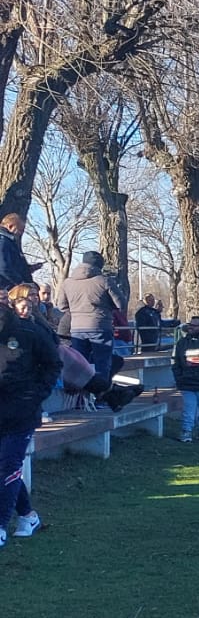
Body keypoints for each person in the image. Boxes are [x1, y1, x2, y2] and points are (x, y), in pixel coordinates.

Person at [1, 286, 61, 548]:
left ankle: (1, 526)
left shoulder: (29, 331)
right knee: (5, 468)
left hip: (21, 411)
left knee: (8, 467)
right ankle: (28, 516)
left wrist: (36, 394)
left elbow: (53, 363)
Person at [56, 250, 122, 394]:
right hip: (100, 325)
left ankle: (79, 398)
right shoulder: (104, 280)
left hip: (77, 328)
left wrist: (76, 310)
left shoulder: (67, 282)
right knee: (102, 364)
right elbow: (120, 304)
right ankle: (100, 395)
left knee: (80, 364)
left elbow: (61, 305)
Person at [0, 210, 40, 291]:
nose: (21, 233)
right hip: (8, 287)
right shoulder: (3, 241)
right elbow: (4, 267)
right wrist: (21, 283)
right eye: (20, 230)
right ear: (10, 226)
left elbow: (14, 264)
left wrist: (28, 268)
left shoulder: (9, 242)